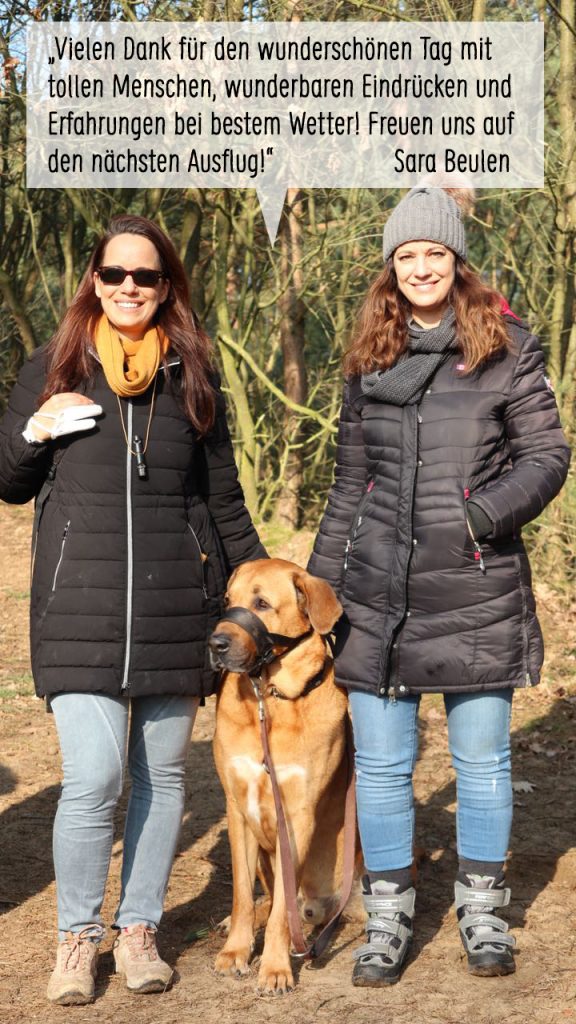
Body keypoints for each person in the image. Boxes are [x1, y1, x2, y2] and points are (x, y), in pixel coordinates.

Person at [307, 187, 571, 986]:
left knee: (482, 762)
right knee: (384, 766)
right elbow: (349, 485)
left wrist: (480, 515)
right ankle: (387, 917)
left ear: (457, 261)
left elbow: (547, 456)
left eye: (435, 253)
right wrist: (320, 590)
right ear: (390, 267)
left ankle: (483, 911)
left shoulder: (507, 350)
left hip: (475, 590)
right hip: (377, 596)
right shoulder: (368, 357)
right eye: (407, 255)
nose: (421, 267)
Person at [0, 214, 265, 1005]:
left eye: (145, 276)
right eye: (114, 273)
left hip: (178, 607)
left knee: (161, 777)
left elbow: (223, 500)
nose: (128, 287)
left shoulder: (193, 374)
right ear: (94, 280)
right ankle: (78, 939)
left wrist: (259, 593)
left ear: (166, 286)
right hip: (76, 610)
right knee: (93, 776)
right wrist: (33, 431)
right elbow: (9, 481)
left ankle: (140, 929)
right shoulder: (53, 365)